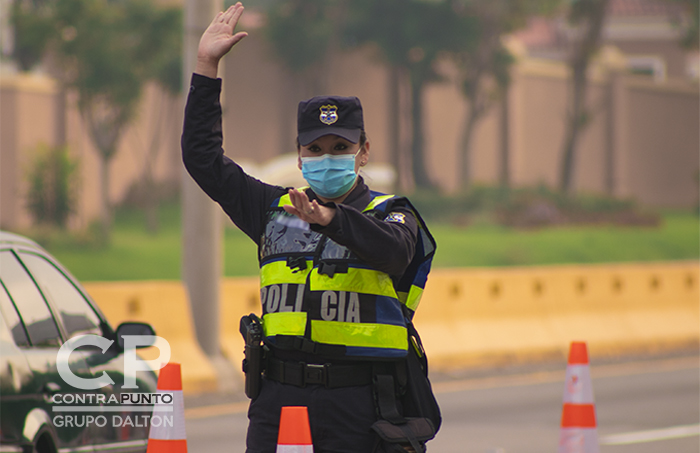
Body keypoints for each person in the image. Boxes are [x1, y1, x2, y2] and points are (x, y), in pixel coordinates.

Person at [182, 4, 437, 452]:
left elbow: (395, 253)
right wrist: (206, 68)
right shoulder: (273, 209)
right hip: (278, 401)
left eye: (341, 146)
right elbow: (203, 160)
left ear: (364, 152)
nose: (327, 156)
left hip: (360, 407)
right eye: (315, 149)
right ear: (300, 157)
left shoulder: (392, 213)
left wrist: (333, 219)